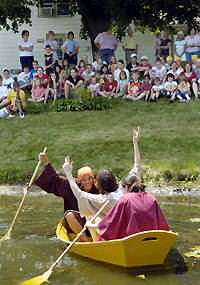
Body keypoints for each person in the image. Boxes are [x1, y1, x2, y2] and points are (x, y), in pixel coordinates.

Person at [62, 128, 141, 241]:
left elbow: (78, 194)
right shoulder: (126, 187)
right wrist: (135, 143)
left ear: (100, 187)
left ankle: (94, 243)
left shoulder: (102, 200)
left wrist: (68, 173)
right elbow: (137, 166)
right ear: (115, 180)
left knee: (90, 215)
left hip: (115, 231)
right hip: (131, 227)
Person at [91, 181, 169, 241]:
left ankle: (94, 247)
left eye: (121, 190)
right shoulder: (151, 197)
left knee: (98, 228)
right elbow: (162, 223)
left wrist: (91, 226)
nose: (121, 193)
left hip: (131, 241)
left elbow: (111, 222)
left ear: (127, 188)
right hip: (152, 238)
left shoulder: (125, 198)